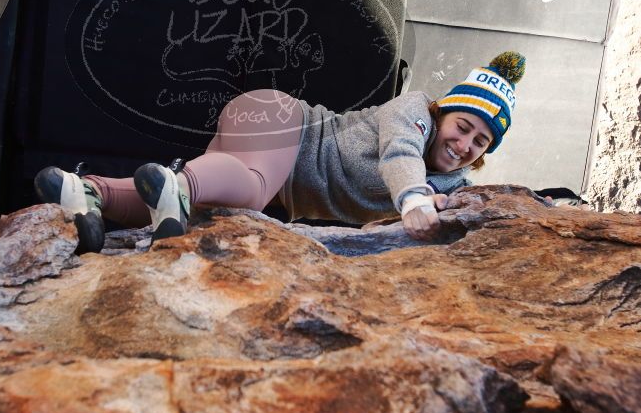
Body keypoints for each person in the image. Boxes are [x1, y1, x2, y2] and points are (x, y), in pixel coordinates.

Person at [35, 51, 526, 253]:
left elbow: (457, 221)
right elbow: (400, 155)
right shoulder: (414, 110)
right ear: (442, 115)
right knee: (240, 190)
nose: (464, 145)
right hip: (279, 119)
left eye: (480, 142)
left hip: (272, 172)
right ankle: (178, 185)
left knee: (209, 212)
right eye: (462, 127)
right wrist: (415, 201)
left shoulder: (452, 189)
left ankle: (87, 192)